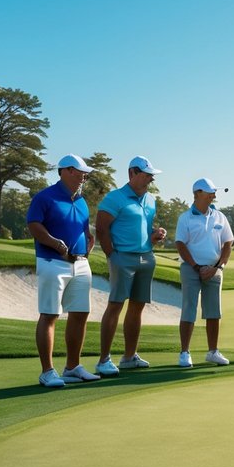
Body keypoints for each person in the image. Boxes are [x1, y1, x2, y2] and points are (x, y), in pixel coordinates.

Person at [26, 154, 101, 389]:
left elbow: (83, 228)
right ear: (66, 171)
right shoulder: (45, 197)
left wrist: (88, 241)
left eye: (85, 173)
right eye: (80, 172)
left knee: (80, 313)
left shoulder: (81, 200)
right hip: (52, 262)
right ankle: (47, 371)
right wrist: (53, 242)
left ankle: (72, 367)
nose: (84, 177)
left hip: (80, 263)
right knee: (50, 315)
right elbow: (34, 225)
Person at [95, 156, 167, 375]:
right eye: (146, 175)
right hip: (122, 257)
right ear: (132, 173)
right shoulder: (115, 198)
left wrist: (154, 235)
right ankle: (104, 360)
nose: (149, 180)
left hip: (146, 257)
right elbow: (101, 229)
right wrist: (112, 256)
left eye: (151, 176)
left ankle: (128, 356)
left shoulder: (151, 200)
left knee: (137, 307)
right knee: (116, 305)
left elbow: (144, 229)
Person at [174, 177, 234, 368]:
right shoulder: (185, 218)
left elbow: (228, 243)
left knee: (214, 313)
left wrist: (218, 267)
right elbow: (180, 244)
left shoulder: (220, 217)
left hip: (214, 269)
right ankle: (184, 353)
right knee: (189, 310)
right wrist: (197, 267)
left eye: (213, 192)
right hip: (191, 268)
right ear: (197, 193)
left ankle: (213, 351)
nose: (213, 195)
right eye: (209, 192)